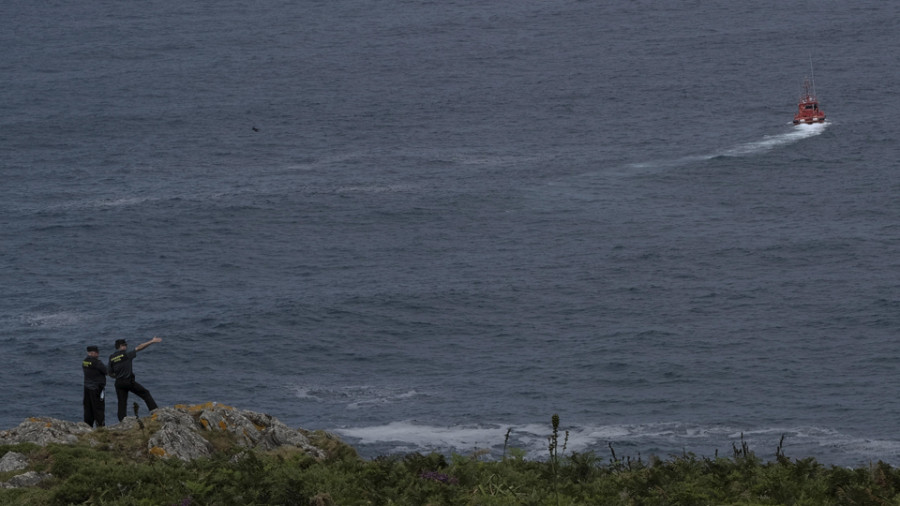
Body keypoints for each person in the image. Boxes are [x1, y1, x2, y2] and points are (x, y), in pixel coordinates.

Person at [108, 336, 162, 422]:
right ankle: (155, 412)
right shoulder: (126, 354)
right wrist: (152, 341)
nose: (126, 347)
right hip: (128, 381)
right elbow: (140, 347)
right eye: (125, 345)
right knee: (145, 393)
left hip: (118, 383)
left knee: (122, 403)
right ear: (121, 346)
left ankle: (122, 421)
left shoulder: (111, 357)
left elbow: (110, 373)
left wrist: (118, 376)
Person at [82, 345, 107, 427]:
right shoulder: (97, 362)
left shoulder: (84, 361)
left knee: (88, 409)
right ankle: (100, 428)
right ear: (92, 353)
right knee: (99, 409)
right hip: (97, 389)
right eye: (96, 352)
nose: (98, 354)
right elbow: (106, 371)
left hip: (87, 388)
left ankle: (87, 427)